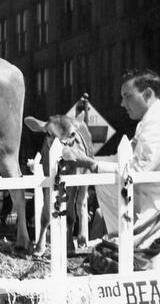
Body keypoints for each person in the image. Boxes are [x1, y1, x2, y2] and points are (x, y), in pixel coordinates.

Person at [63, 69, 160, 248]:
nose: (122, 103)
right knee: (103, 181)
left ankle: (126, 244)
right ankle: (123, 241)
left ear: (147, 94)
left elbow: (138, 172)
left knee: (105, 181)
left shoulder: (155, 122)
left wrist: (92, 164)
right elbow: (120, 160)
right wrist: (88, 160)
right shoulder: (148, 120)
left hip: (154, 209)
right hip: (145, 202)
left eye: (127, 96)